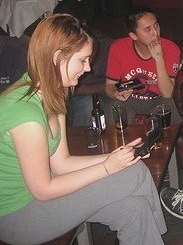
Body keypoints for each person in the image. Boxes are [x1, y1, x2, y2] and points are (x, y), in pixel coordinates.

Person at [0, 14, 167, 245]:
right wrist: (108, 168)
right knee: (134, 173)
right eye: (83, 60)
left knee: (135, 209)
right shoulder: (24, 114)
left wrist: (116, 157)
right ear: (58, 58)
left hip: (43, 193)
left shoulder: (54, 95)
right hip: (18, 215)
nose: (87, 68)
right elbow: (43, 190)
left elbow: (62, 163)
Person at [105, 6, 182, 125]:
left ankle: (170, 143)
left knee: (169, 105)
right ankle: (121, 143)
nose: (155, 33)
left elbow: (167, 93)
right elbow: (109, 87)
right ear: (133, 36)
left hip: (159, 99)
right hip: (130, 99)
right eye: (147, 29)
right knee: (114, 106)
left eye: (156, 25)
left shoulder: (171, 48)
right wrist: (115, 93)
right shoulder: (118, 48)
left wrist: (159, 59)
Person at [53, 0, 112, 126]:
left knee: (87, 105)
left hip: (91, 97)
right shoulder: (51, 46)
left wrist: (78, 89)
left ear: (82, 23)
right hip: (61, 95)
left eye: (70, 25)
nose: (87, 68)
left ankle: (84, 142)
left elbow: (113, 84)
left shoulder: (103, 45)